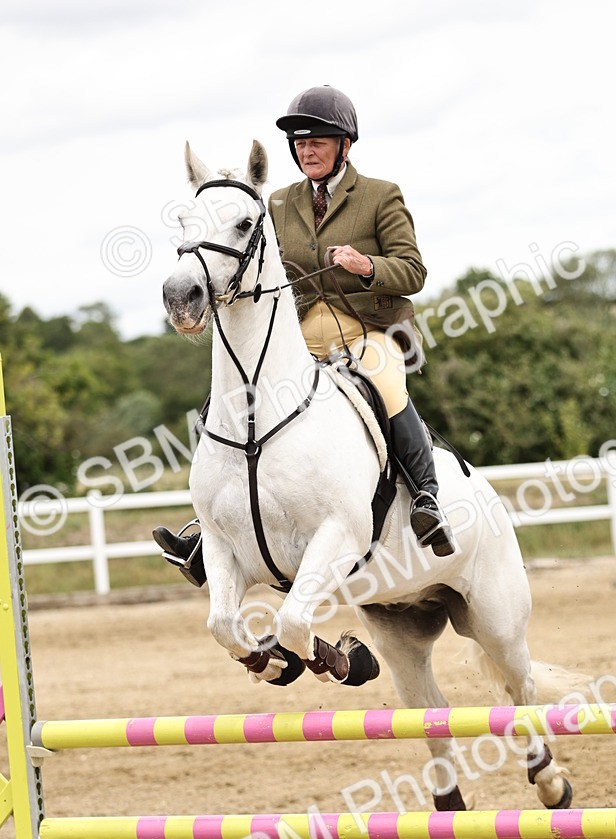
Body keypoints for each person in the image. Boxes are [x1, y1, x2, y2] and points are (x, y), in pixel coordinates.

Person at [154, 84, 454, 585]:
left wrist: (366, 266)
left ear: (344, 145)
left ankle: (426, 497)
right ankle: (210, 532)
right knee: (233, 402)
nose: (307, 150)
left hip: (366, 329)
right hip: (299, 333)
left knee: (386, 385)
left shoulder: (381, 195)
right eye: (299, 142)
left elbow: (413, 271)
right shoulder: (276, 202)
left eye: (317, 141)